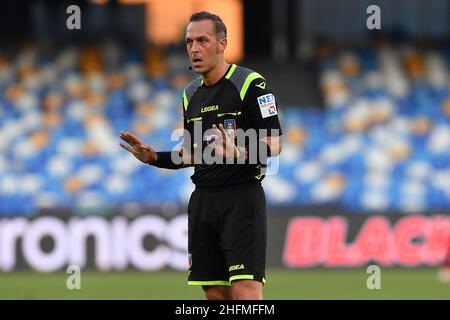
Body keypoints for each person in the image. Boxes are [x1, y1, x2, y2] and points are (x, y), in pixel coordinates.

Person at [119, 11, 282, 300]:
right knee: (215, 294)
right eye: (189, 42)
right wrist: (154, 156)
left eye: (202, 40)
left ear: (222, 44)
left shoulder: (251, 84)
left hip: (241, 199)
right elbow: (192, 155)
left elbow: (275, 144)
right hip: (203, 201)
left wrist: (240, 152)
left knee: (245, 291)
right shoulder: (189, 94)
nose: (194, 49)